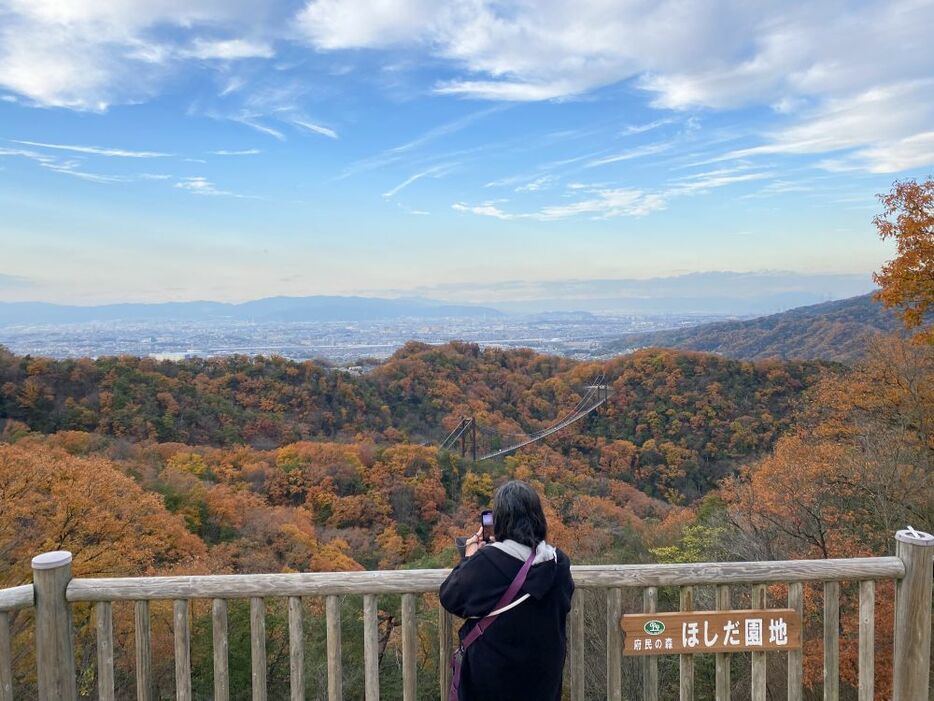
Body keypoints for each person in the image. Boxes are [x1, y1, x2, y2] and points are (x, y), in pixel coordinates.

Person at [440, 480, 574, 701]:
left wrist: (471, 555)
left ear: (501, 520)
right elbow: (563, 602)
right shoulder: (559, 563)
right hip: (542, 684)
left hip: (492, 683)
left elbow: (450, 596)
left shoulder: (489, 561)